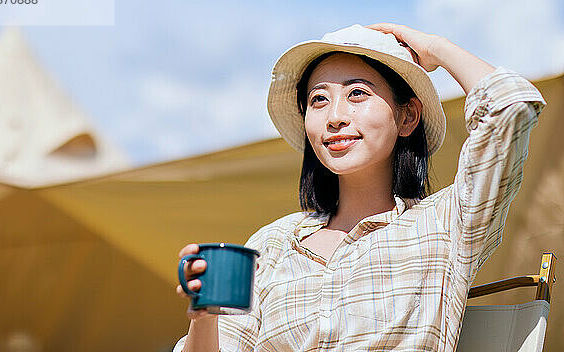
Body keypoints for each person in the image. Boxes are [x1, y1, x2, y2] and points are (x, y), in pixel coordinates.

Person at [173, 23, 546, 351]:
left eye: (357, 94)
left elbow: (511, 104)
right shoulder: (273, 244)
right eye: (319, 100)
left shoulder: (447, 224)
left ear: (407, 116)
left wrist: (433, 47)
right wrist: (203, 317)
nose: (335, 117)